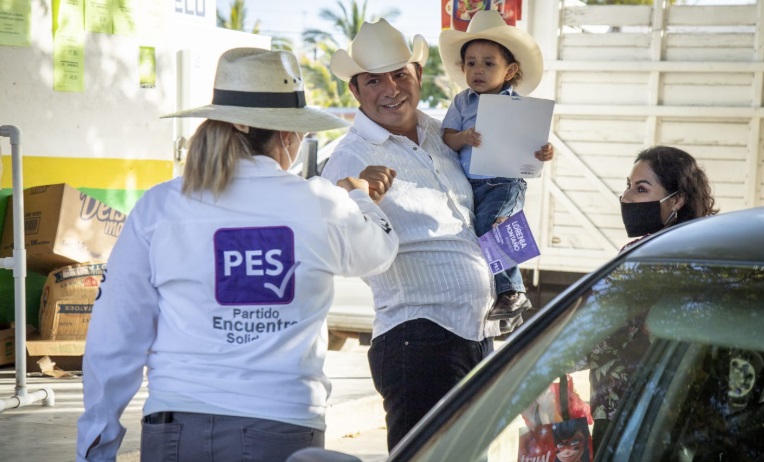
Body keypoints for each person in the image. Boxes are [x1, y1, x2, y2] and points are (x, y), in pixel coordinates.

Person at [76, 48, 399, 462]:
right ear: (287, 135)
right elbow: (380, 252)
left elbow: (116, 332)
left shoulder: (160, 206)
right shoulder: (320, 203)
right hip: (281, 427)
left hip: (173, 428)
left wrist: (96, 446)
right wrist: (360, 197)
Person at [322, 19, 499, 450]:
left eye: (400, 74)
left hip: (475, 334)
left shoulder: (441, 133)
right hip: (416, 339)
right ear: (355, 91)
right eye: (373, 80)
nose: (391, 89)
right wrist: (357, 197)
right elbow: (331, 246)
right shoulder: (350, 156)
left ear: (418, 75)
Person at [587, 145, 718, 451]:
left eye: (641, 189)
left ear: (677, 199)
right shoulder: (705, 252)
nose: (626, 198)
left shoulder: (643, 256)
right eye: (628, 186)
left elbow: (598, 335)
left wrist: (541, 361)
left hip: (625, 418)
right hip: (679, 417)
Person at [439, 10, 554, 332]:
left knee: (491, 228)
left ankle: (514, 291)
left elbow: (535, 145)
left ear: (510, 71)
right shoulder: (462, 102)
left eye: (489, 63)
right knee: (486, 234)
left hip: (506, 182)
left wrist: (545, 152)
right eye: (471, 63)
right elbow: (447, 137)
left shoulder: (520, 106)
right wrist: (463, 137)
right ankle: (506, 301)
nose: (478, 70)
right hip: (471, 185)